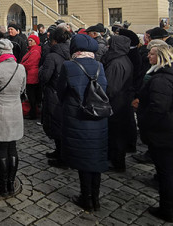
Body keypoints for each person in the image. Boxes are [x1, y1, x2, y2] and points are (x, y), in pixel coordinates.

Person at [136, 43, 173, 222]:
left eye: (151, 54)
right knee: (172, 171)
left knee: (166, 172)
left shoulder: (161, 79)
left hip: (165, 130)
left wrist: (145, 122)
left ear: (160, 56)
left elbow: (158, 108)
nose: (148, 57)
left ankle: (167, 210)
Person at [57, 34, 108, 212]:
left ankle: (85, 197)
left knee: (83, 158)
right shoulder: (100, 66)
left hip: (78, 117)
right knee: (95, 157)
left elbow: (61, 90)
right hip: (98, 118)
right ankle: (95, 197)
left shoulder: (69, 65)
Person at [0, 39, 27, 196]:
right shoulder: (21, 68)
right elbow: (23, 89)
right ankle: (11, 183)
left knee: (1, 149)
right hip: (15, 110)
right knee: (12, 148)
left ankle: (3, 186)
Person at [102, 34, 133, 172]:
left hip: (117, 103)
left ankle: (117, 162)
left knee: (116, 135)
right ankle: (114, 158)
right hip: (121, 101)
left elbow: (110, 87)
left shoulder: (116, 63)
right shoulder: (122, 59)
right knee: (116, 134)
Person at [39, 26, 70, 164]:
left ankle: (62, 156)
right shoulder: (70, 51)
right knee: (62, 123)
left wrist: (40, 70)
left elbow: (45, 77)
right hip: (65, 92)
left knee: (55, 123)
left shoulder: (52, 56)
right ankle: (59, 151)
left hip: (53, 92)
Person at [21, 34, 42, 120]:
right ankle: (33, 111)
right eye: (29, 40)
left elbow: (30, 63)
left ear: (35, 42)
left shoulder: (35, 51)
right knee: (31, 96)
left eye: (31, 40)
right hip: (30, 75)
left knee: (31, 96)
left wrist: (21, 65)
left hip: (32, 76)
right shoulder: (32, 50)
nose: (29, 42)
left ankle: (33, 113)